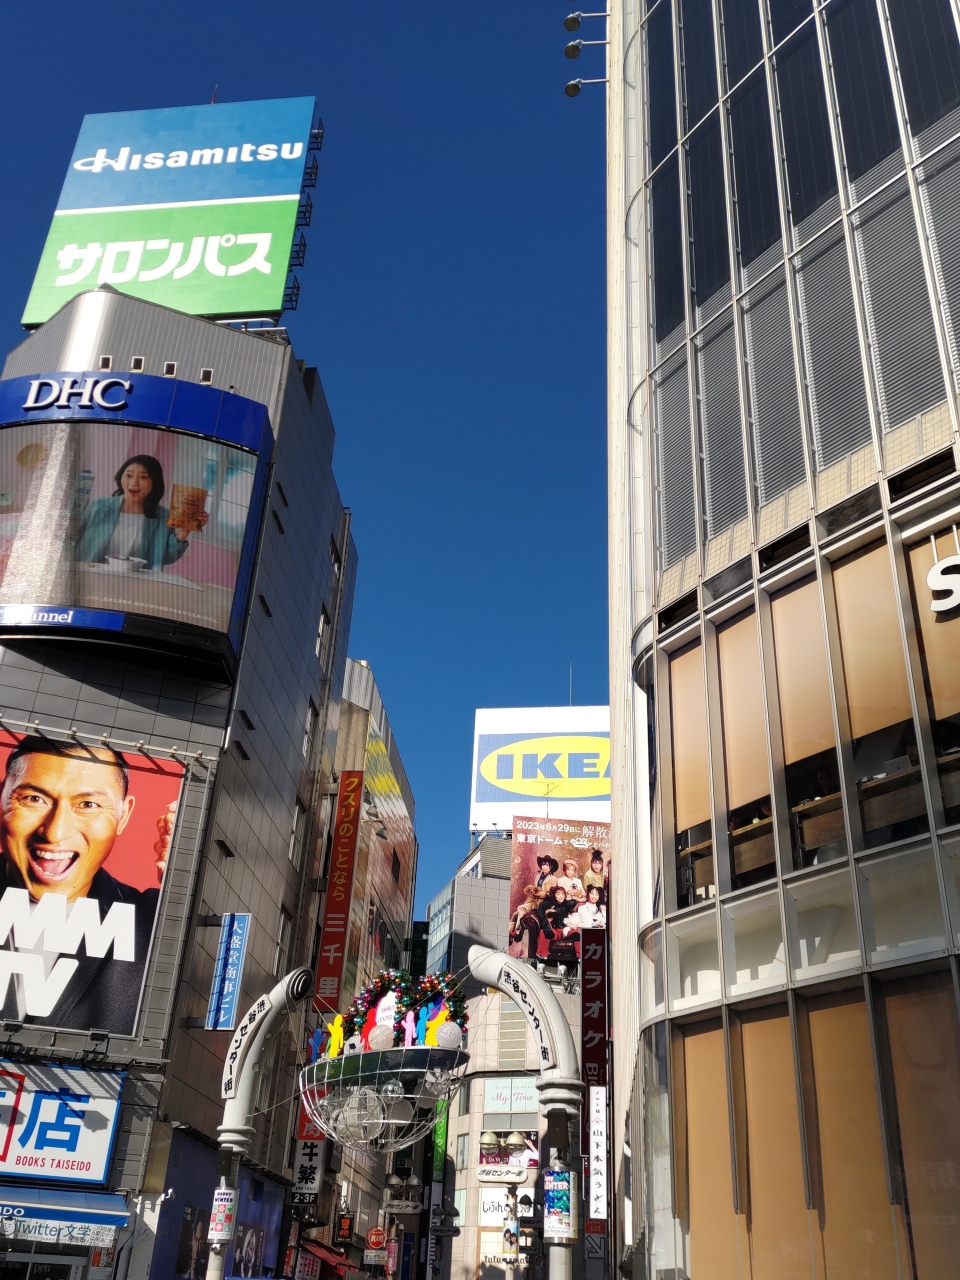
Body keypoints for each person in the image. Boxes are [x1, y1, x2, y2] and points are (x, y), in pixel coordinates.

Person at [0, 737, 175, 1034]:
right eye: (34, 799)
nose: (55, 832)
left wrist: (198, 886)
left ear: (123, 816)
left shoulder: (154, 921)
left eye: (88, 804)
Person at [75, 454, 208, 569]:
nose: (134, 483)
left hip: (137, 584)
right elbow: (72, 540)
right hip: (92, 576)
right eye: (128, 475)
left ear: (154, 483)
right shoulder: (97, 506)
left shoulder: (163, 516)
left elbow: (165, 557)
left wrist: (185, 530)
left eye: (143, 477)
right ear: (121, 477)